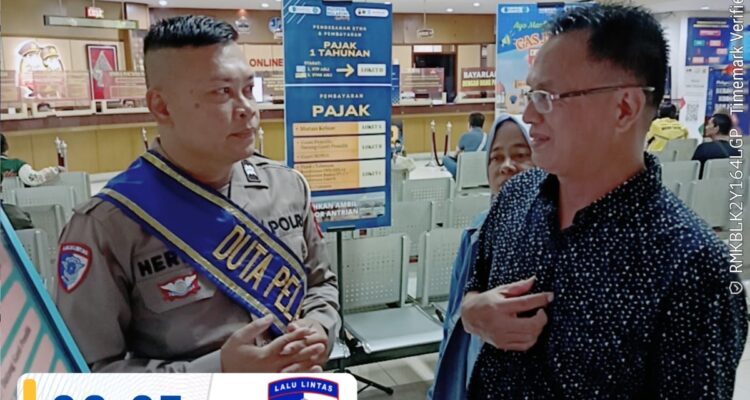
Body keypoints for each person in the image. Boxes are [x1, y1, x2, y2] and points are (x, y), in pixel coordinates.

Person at [461, 5, 747, 399]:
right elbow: (474, 288)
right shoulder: (516, 196)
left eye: (547, 97)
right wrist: (472, 314)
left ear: (624, 108)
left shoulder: (693, 268)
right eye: (530, 95)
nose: (528, 115)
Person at [54, 15, 340, 373]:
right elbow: (89, 373)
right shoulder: (107, 225)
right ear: (162, 106)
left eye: (249, 89)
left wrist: (319, 328)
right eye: (221, 92)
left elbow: (320, 285)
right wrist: (219, 372)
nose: (248, 109)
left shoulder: (287, 187)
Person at [429, 114, 541, 399]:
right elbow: (453, 324)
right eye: (496, 157)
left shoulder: (554, 239)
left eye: (521, 155)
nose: (506, 166)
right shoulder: (475, 234)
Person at [693, 113, 740, 177]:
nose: (705, 127)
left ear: (716, 128)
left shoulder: (703, 149)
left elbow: (692, 172)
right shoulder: (735, 151)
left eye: (708, 124)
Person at [442, 112, 488, 178]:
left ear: (469, 124)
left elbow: (456, 155)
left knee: (445, 158)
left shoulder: (464, 136)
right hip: (483, 172)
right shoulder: (488, 137)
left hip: (466, 172)